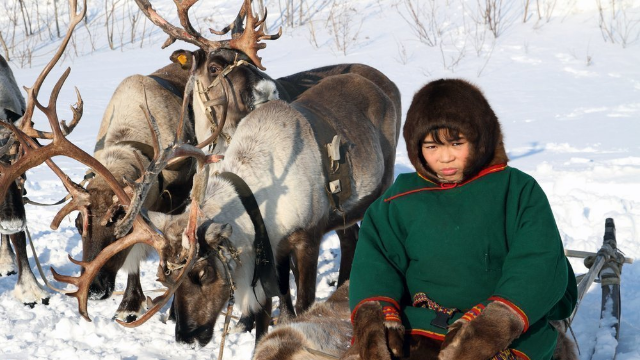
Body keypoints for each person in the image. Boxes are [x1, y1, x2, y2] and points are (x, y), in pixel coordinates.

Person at [347, 79, 577, 360]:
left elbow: (537, 261)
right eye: (431, 147)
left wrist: (494, 324)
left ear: (480, 137)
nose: (445, 157)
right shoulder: (400, 198)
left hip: (500, 334)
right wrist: (376, 315)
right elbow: (376, 260)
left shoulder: (516, 190)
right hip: (421, 325)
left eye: (456, 143)